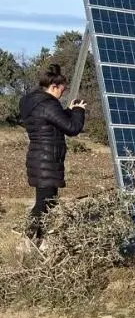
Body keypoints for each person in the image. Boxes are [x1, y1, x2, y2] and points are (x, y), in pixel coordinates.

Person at [19, 64, 87, 244]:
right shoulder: (48, 104)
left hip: (39, 157)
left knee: (47, 202)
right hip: (46, 160)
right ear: (53, 86)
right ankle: (30, 241)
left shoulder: (33, 102)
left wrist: (68, 111)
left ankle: (36, 239)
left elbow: (52, 122)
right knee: (44, 204)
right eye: (62, 90)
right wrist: (79, 111)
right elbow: (72, 128)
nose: (62, 94)